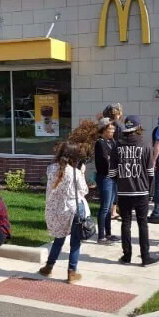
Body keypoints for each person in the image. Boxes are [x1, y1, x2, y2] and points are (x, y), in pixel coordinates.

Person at [109, 115, 159, 266]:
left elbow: (112, 173)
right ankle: (145, 257)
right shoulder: (145, 144)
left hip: (124, 192)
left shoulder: (117, 146)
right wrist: (149, 191)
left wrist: (121, 181)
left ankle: (127, 256)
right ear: (138, 128)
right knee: (142, 224)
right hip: (142, 191)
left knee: (125, 223)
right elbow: (150, 172)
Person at [39, 142, 90, 282]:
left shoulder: (50, 169)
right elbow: (84, 190)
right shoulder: (75, 172)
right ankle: (71, 273)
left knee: (58, 239)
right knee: (75, 242)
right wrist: (82, 173)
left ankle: (48, 267)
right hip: (74, 210)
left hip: (57, 210)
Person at [94, 118, 120, 244]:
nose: (112, 131)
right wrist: (112, 159)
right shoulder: (100, 143)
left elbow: (115, 157)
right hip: (105, 178)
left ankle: (108, 233)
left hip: (113, 177)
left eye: (113, 129)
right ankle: (101, 236)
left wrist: (112, 159)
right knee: (104, 207)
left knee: (109, 207)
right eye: (110, 129)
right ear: (103, 129)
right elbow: (106, 160)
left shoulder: (112, 142)